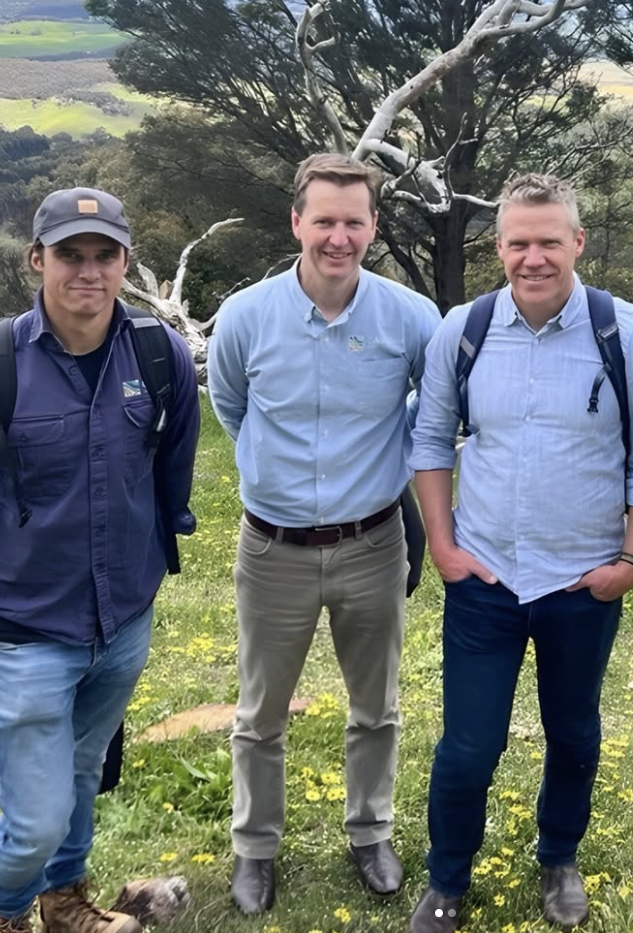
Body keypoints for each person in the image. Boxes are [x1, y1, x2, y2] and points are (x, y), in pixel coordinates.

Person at [0, 187, 200, 933]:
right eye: (70, 254)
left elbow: (172, 464)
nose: (89, 270)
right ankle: (2, 912)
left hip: (124, 618)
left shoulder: (159, 355)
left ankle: (64, 902)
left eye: (104, 254)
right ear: (36, 260)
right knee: (37, 815)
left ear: (125, 262)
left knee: (82, 768)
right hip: (26, 624)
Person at [407, 172, 633, 933]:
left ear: (577, 242)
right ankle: (446, 880)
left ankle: (558, 858)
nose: (534, 258)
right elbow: (431, 441)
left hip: (583, 583)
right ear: (498, 247)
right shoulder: (463, 329)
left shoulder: (627, 333)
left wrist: (631, 562)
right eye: (518, 243)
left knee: (574, 734)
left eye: (549, 241)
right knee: (468, 747)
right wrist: (444, 547)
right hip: (484, 579)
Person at [206, 153, 440, 915]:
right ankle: (254, 849)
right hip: (271, 550)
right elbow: (233, 408)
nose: (339, 238)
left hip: (373, 544)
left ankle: (370, 832)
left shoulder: (411, 318)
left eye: (354, 222)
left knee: (377, 707)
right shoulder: (245, 317)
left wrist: (389, 456)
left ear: (373, 226)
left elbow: (434, 406)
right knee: (259, 715)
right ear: (296, 222)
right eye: (325, 221)